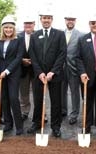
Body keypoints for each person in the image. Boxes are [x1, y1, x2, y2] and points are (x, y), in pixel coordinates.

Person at [27, 9, 66, 137]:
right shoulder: (34, 35)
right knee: (38, 100)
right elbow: (32, 55)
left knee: (56, 101)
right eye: (44, 18)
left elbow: (62, 54)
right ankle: (37, 122)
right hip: (39, 75)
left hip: (55, 74)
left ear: (52, 19)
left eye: (49, 18)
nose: (46, 20)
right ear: (41, 19)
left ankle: (56, 126)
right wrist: (39, 72)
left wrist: (53, 72)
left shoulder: (60, 34)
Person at [0, 15, 24, 135]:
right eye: (6, 28)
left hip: (13, 73)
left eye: (10, 28)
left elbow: (18, 57)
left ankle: (19, 126)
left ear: (14, 29)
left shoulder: (19, 40)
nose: (8, 30)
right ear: (3, 29)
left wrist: (7, 71)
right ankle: (8, 124)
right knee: (4, 99)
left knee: (13, 98)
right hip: (0, 74)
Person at [62, 13, 83, 125]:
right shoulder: (60, 34)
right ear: (65, 20)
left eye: (72, 19)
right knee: (62, 91)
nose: (70, 21)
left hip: (73, 68)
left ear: (75, 21)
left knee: (75, 92)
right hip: (61, 68)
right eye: (68, 19)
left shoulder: (80, 35)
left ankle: (74, 114)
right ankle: (63, 110)